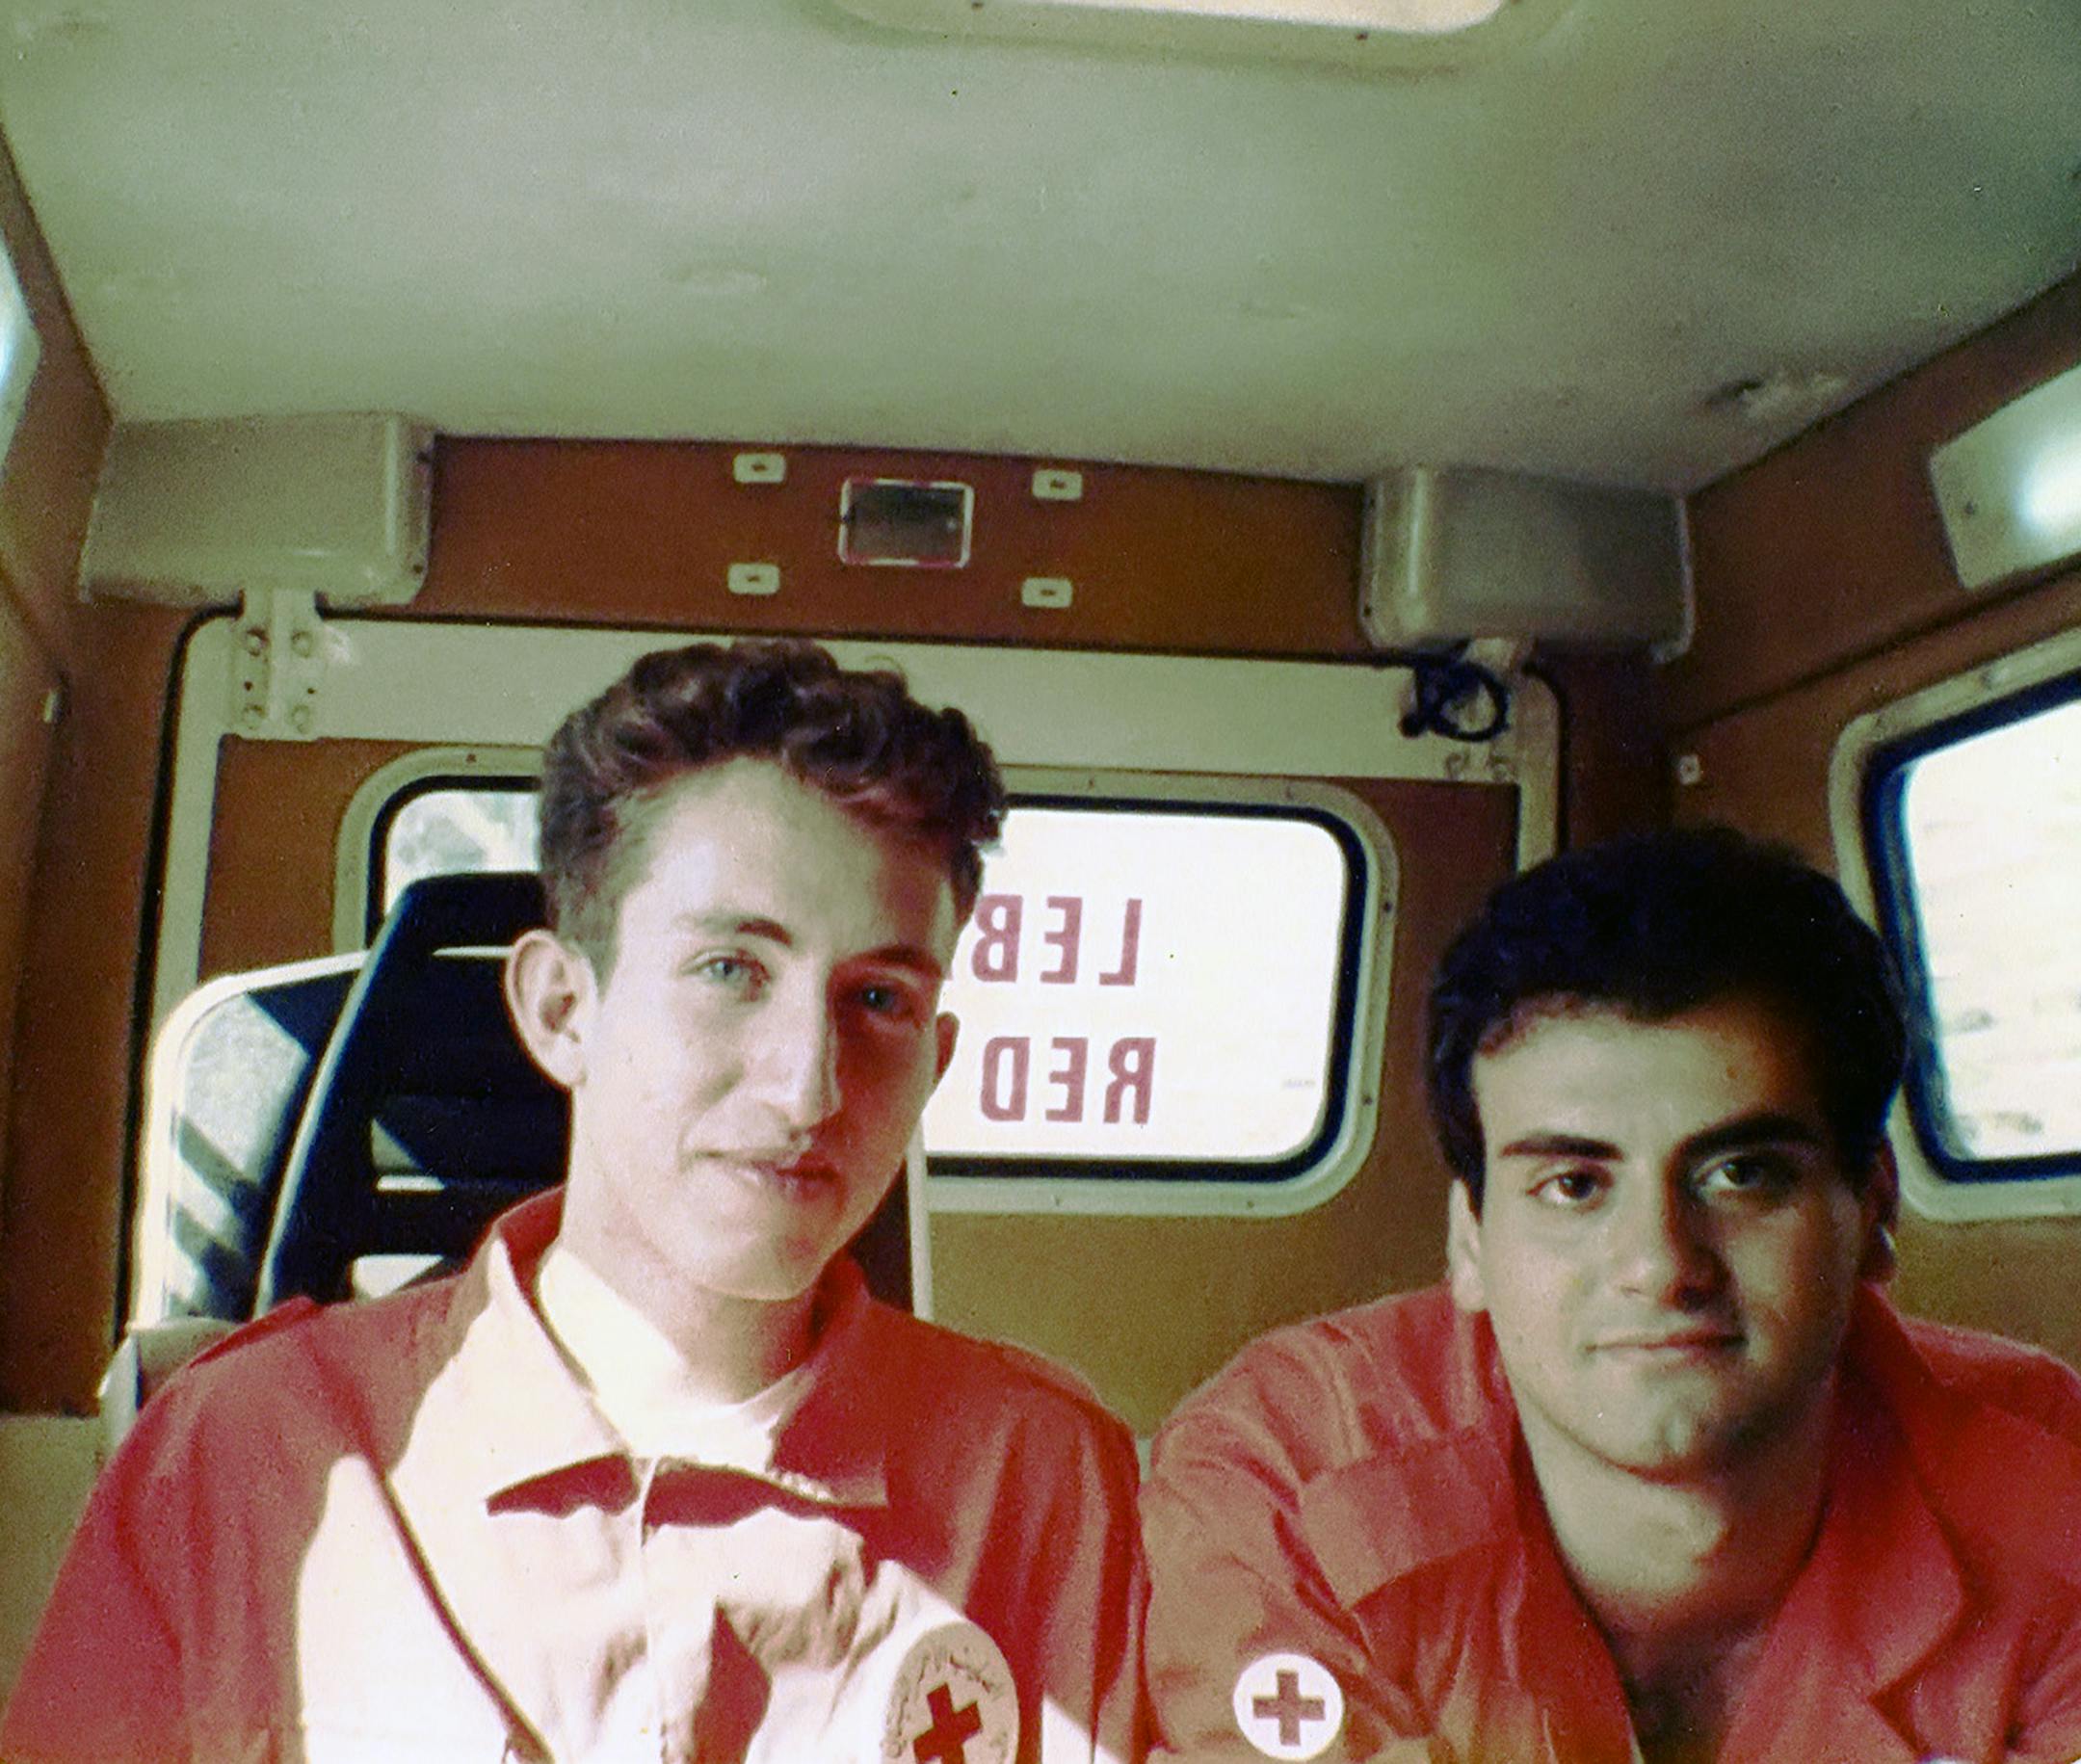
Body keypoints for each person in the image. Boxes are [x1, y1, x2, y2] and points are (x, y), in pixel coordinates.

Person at [6, 639, 1145, 1763]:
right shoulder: (244, 1453)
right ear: (561, 1008)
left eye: (879, 997)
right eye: (729, 970)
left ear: (934, 1062)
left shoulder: (1043, 1480)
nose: (808, 1084)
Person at [1141, 826, 2081, 1763]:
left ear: (1872, 1207)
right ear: (1469, 1239)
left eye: (1741, 1173)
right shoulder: (1289, 1469)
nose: (1661, 1262)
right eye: (1575, 1185)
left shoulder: (2054, 1484)